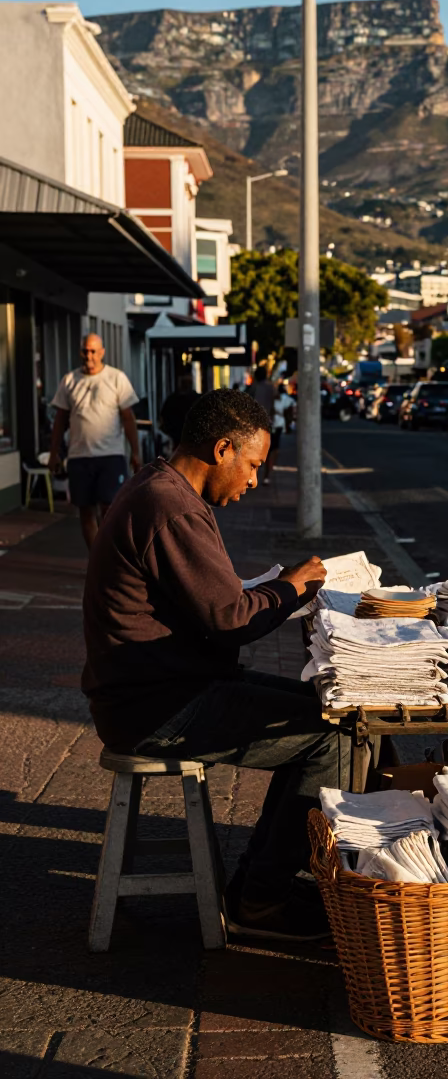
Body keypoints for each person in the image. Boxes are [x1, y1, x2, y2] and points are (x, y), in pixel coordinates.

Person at [82, 388, 336, 941]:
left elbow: (214, 604)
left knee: (331, 712)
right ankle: (260, 901)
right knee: (334, 739)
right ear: (223, 449)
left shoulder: (164, 489)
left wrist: (275, 590)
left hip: (168, 685)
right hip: (155, 706)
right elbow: (231, 618)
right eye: (252, 466)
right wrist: (291, 588)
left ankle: (258, 881)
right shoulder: (169, 506)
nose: (252, 481)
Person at [48, 333, 141, 550]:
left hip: (111, 455)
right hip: (79, 456)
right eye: (85, 351)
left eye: (93, 351)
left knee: (110, 509)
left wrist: (135, 452)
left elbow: (128, 418)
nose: (88, 355)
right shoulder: (69, 380)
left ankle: (110, 555)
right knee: (85, 510)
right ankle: (96, 558)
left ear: (102, 353)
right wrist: (53, 453)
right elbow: (60, 420)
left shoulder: (116, 378)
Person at [159, 367, 200, 451]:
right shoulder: (197, 399)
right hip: (190, 440)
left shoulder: (171, 399)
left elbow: (162, 420)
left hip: (179, 441)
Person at [250, 366, 278, 484]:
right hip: (268, 422)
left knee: (253, 451)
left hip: (255, 423)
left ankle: (252, 476)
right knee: (270, 450)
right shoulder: (271, 387)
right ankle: (267, 476)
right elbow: (276, 400)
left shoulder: (254, 387)